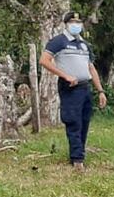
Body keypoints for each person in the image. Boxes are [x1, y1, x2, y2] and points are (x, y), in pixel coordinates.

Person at [40, 12, 107, 171]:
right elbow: (44, 60)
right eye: (73, 21)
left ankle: (79, 153)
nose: (76, 24)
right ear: (66, 24)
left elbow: (91, 67)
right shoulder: (58, 41)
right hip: (70, 87)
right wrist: (65, 76)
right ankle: (77, 160)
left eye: (79, 21)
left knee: (84, 122)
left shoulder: (84, 44)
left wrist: (101, 90)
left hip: (85, 86)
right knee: (73, 121)